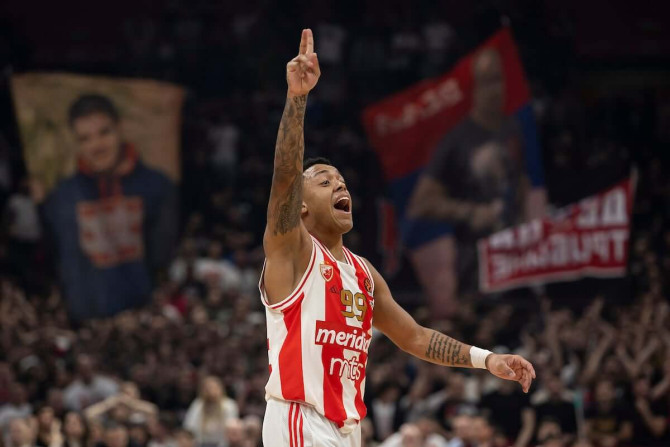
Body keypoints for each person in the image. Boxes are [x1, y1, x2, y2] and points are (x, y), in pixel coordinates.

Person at [260, 29, 536, 447]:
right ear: (300, 207)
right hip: (300, 419)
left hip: (345, 428)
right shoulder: (294, 253)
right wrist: (297, 99)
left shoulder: (363, 273)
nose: (340, 185)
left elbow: (415, 337)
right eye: (324, 181)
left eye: (341, 180)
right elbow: (284, 180)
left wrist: (488, 360)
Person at [407, 48, 546, 314]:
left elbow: (520, 182)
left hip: (515, 261)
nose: (495, 89)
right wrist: (471, 212)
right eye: (487, 82)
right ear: (474, 88)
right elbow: (422, 203)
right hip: (475, 267)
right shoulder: (456, 140)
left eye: (499, 80)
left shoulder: (513, 130)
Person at [42, 94, 178, 321]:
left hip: (143, 317)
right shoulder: (61, 197)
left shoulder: (158, 186)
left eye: (104, 133)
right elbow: (57, 258)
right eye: (85, 138)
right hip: (84, 320)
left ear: (120, 129)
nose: (97, 146)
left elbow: (163, 255)